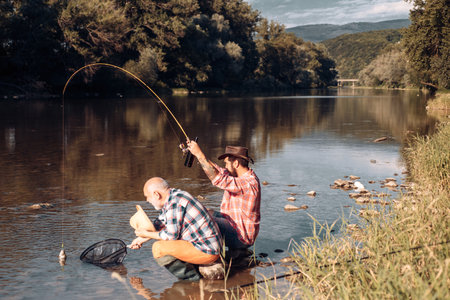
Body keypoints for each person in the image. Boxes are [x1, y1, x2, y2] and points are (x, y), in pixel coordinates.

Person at [129, 177, 222, 281]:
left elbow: (170, 236)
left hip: (207, 250)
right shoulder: (173, 196)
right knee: (162, 241)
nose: (147, 200)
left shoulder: (175, 203)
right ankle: (194, 273)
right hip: (204, 245)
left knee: (158, 248)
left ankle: (192, 280)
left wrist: (146, 234)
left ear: (156, 194)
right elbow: (160, 224)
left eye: (147, 197)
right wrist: (141, 239)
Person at [187, 141, 261, 251]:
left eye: (226, 163)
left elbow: (218, 179)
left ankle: (209, 253)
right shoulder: (237, 176)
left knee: (202, 220)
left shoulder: (249, 183)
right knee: (204, 212)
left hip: (241, 238)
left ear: (235, 163)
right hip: (233, 225)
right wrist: (197, 154)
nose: (225, 166)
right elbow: (218, 171)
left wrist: (200, 155)